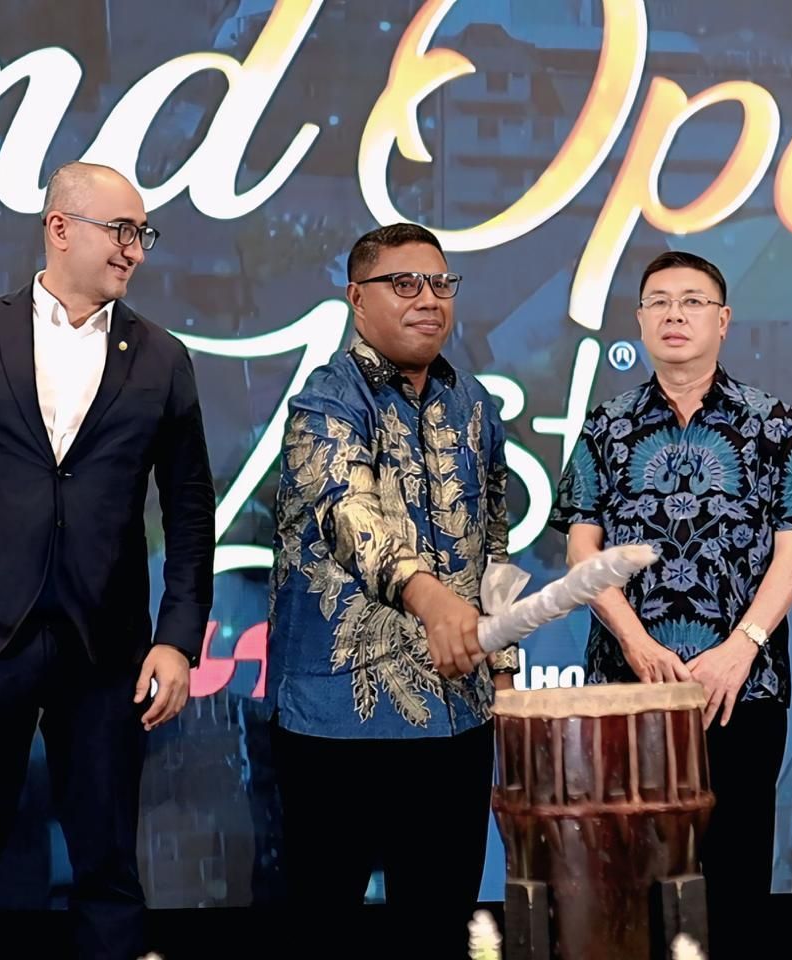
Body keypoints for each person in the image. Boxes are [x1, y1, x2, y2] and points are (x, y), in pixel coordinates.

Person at [0, 161, 215, 960]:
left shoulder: (164, 358)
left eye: (143, 235)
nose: (136, 250)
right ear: (59, 228)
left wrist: (176, 639)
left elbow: (190, 511)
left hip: (106, 651)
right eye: (121, 231)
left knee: (107, 872)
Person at [550, 251, 792, 960]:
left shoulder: (776, 424)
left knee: (735, 884)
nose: (675, 314)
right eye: (660, 302)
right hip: (629, 689)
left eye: (693, 301)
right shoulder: (605, 427)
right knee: (628, 885)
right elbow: (582, 552)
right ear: (640, 320)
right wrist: (640, 645)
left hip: (742, 688)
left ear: (724, 319)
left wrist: (743, 646)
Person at [267, 222, 518, 959]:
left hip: (457, 719)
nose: (428, 299)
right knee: (328, 926)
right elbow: (352, 517)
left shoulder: (471, 402)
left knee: (440, 928)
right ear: (357, 299)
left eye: (441, 284)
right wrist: (433, 599)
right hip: (337, 718)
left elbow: (494, 536)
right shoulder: (325, 402)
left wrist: (503, 664)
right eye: (403, 284)